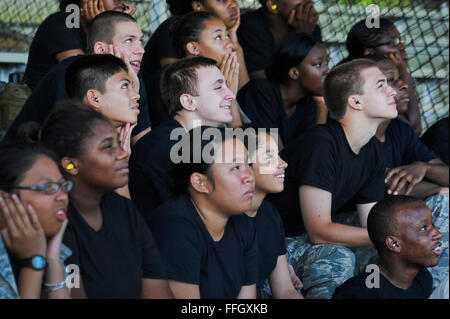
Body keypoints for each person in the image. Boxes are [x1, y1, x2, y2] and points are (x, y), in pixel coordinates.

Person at [268, 59, 398, 298]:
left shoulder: (372, 150)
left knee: (402, 249)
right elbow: (319, 231)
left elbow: (372, 221)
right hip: (277, 244)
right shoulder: (321, 144)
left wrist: (400, 237)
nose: (392, 90)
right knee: (342, 256)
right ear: (355, 101)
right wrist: (392, 238)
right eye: (381, 85)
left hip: (310, 237)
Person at [37, 101, 173, 299]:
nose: (123, 153)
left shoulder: (125, 210)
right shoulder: (59, 220)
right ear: (70, 165)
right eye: (108, 147)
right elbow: (74, 293)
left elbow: (157, 290)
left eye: (119, 143)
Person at [5, 11, 151, 145]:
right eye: (129, 41)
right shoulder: (71, 72)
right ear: (101, 50)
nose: (140, 50)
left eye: (140, 41)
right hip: (25, 163)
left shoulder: (132, 78)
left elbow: (144, 144)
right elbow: (68, 143)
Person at [148, 126, 257, 298]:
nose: (249, 175)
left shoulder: (243, 224)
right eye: (235, 167)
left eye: (248, 164)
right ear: (200, 183)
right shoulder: (174, 228)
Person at [129, 57, 239, 215]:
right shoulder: (165, 147)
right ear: (189, 102)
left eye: (227, 86)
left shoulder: (201, 140)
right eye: (218, 88)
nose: (231, 95)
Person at [365, 55, 449, 199]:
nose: (404, 85)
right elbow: (389, 185)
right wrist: (439, 190)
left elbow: (444, 172)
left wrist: (425, 168)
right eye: (391, 80)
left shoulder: (399, 129)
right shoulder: (355, 135)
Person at [143, 11, 246, 127]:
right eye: (218, 37)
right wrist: (228, 93)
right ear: (194, 48)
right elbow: (196, 137)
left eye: (227, 36)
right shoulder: (174, 80)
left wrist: (228, 92)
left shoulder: (218, 76)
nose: (230, 44)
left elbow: (238, 133)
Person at [333, 195, 442, 299]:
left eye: (432, 225)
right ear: (394, 244)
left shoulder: (422, 278)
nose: (438, 234)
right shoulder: (360, 293)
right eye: (423, 228)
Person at [0, 142, 71, 299]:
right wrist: (32, 262)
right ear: (4, 198)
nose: (63, 197)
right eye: (48, 187)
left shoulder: (55, 249)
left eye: (63, 186)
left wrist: (53, 261)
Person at [237, 32, 329, 149]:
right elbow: (275, 155)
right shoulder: (260, 92)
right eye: (318, 64)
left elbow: (311, 156)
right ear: (294, 73)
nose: (327, 70)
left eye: (327, 62)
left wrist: (322, 109)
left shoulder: (310, 103)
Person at [244, 127, 303, 299]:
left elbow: (285, 290)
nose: (283, 163)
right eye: (269, 156)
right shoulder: (226, 221)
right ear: (243, 165)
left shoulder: (269, 214)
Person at [24, 0, 136, 90]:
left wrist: (120, 25)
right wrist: (103, 26)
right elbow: (85, 76)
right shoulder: (61, 23)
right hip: (50, 109)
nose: (119, 1)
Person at [344, 18, 421, 135]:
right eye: (392, 43)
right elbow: (413, 127)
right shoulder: (359, 84)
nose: (401, 46)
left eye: (399, 40)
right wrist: (402, 70)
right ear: (370, 53)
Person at [141, 0, 243, 78]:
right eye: (221, 0)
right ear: (198, 6)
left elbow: (245, 92)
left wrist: (234, 38)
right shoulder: (177, 29)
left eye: (226, 36)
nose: (233, 4)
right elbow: (175, 82)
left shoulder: (227, 39)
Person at [237, 0, 321, 79]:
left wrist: (305, 35)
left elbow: (318, 79)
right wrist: (301, 37)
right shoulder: (250, 28)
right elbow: (262, 88)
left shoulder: (309, 28)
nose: (309, 2)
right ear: (273, 5)